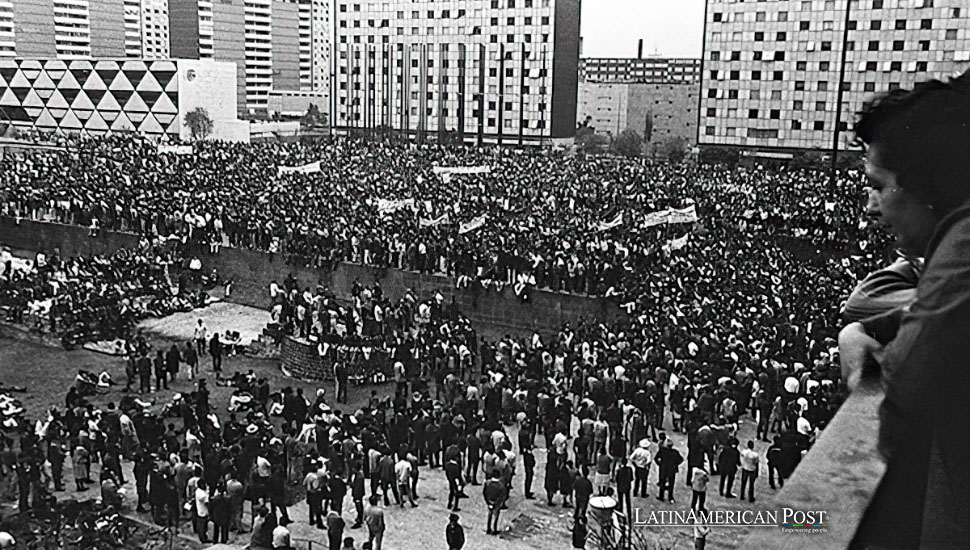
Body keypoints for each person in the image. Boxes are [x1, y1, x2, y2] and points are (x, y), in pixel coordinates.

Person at [839, 74, 970, 546]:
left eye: (879, 186)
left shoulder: (964, 250)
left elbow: (899, 408)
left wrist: (856, 348)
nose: (872, 209)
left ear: (927, 184)